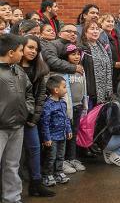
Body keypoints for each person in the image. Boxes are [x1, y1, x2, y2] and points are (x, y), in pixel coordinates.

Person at [19, 36, 56, 197]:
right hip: (12, 117)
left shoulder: (40, 70)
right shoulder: (12, 67)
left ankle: (36, 184)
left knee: (34, 149)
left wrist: (34, 117)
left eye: (36, 49)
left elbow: (41, 96)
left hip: (31, 118)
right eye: (30, 48)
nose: (33, 51)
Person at [0, 34, 34, 203]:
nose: (23, 54)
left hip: (18, 126)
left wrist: (27, 110)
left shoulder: (18, 70)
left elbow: (29, 92)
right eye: (21, 50)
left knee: (12, 165)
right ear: (11, 52)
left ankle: (12, 198)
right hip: (1, 128)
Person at [57, 44, 87, 174]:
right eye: (73, 54)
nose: (76, 57)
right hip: (67, 107)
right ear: (66, 56)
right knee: (65, 134)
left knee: (74, 134)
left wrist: (84, 104)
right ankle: (62, 161)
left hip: (78, 106)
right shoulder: (64, 71)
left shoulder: (81, 70)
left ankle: (71, 158)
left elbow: (83, 87)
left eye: (78, 54)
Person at [40, 75, 73, 186]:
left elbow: (66, 118)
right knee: (51, 157)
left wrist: (68, 130)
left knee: (60, 156)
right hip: (52, 138)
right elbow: (44, 123)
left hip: (62, 136)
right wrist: (46, 138)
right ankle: (47, 175)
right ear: (56, 90)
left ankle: (58, 173)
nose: (66, 89)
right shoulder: (48, 105)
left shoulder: (63, 103)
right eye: (64, 87)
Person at [80, 21, 113, 106]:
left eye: (97, 29)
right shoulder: (82, 48)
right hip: (89, 92)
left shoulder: (102, 47)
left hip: (103, 92)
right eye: (92, 29)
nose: (95, 31)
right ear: (85, 32)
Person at [100, 14, 120, 91]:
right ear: (101, 23)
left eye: (112, 21)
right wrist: (113, 63)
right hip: (108, 70)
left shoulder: (118, 35)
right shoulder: (100, 36)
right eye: (108, 21)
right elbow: (101, 54)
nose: (110, 23)